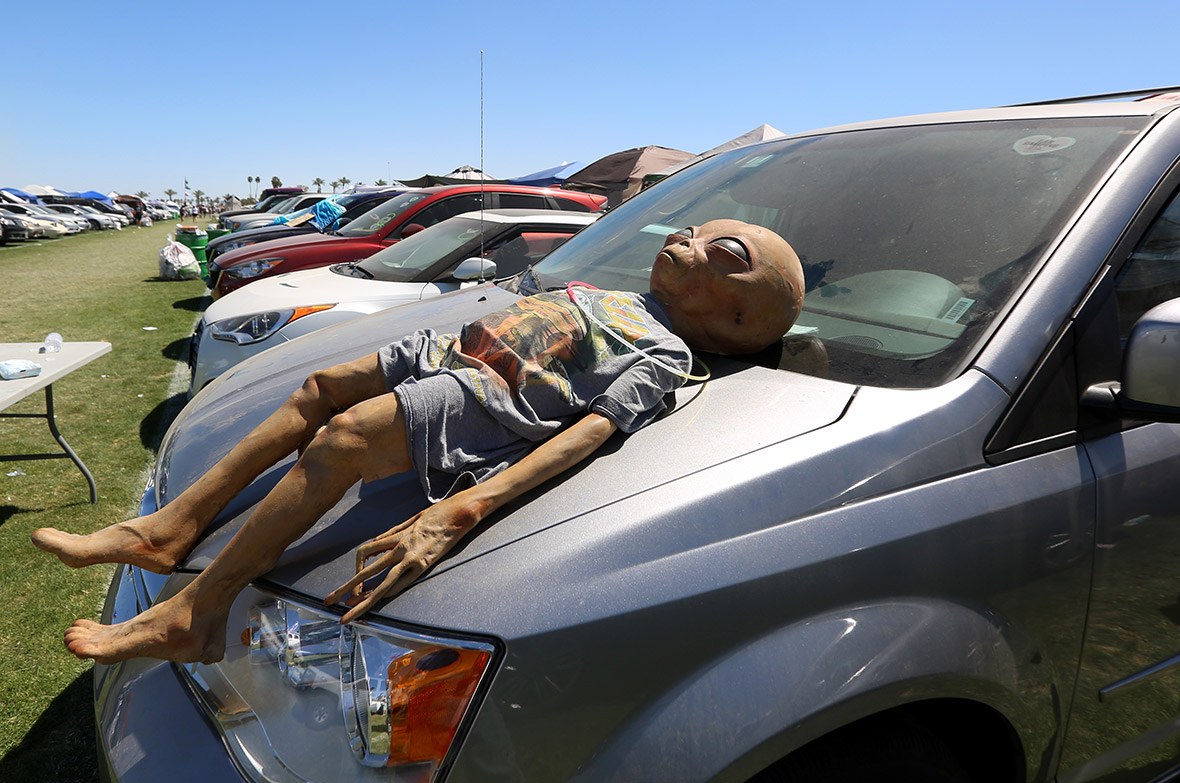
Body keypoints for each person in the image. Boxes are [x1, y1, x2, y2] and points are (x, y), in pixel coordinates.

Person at [32, 220, 805, 665]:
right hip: (450, 347)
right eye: (697, 230)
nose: (691, 238)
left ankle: (199, 611)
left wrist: (461, 510)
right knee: (318, 388)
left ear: (738, 318)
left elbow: (592, 431)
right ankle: (169, 529)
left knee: (343, 437)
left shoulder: (667, 354)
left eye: (725, 253)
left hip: (487, 394)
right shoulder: (618, 293)